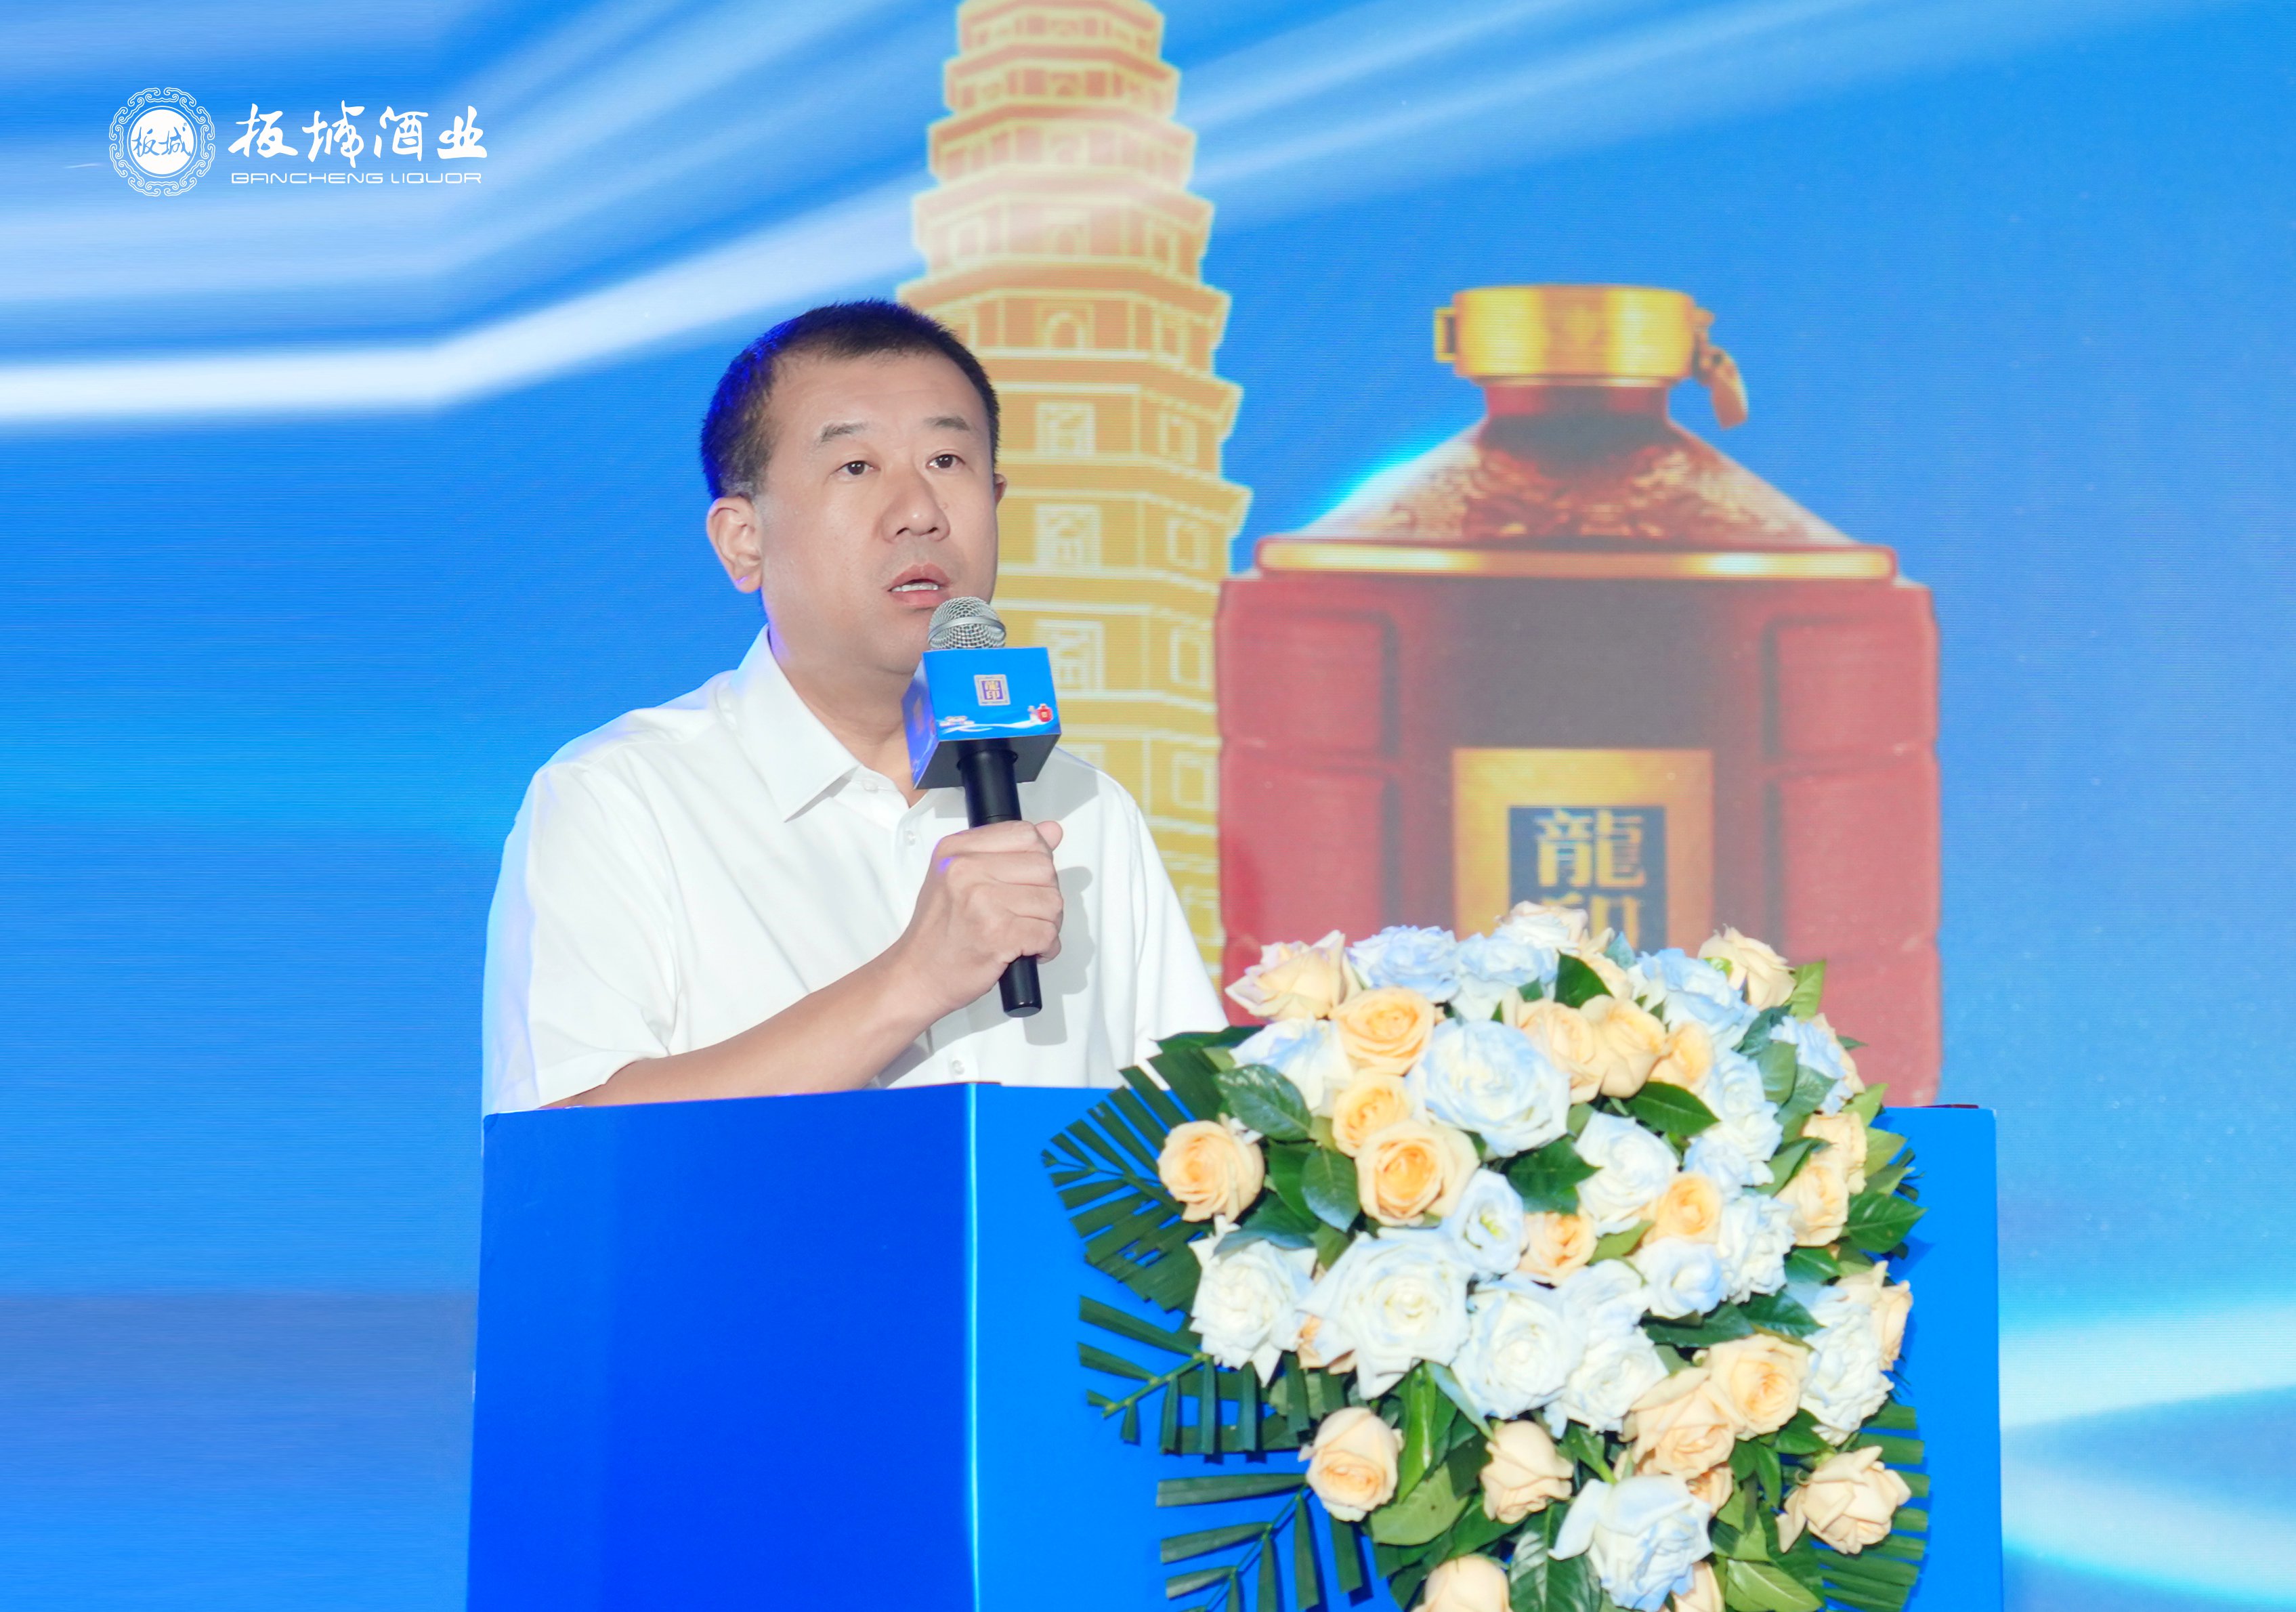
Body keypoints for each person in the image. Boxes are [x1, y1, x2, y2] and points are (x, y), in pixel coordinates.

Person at [480, 300, 1225, 1113]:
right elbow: (564, 1149)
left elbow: (1199, 1142)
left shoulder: (1083, 809)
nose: (921, 512)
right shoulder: (620, 798)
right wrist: (914, 977)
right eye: (857, 468)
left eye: (947, 460)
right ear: (743, 540)